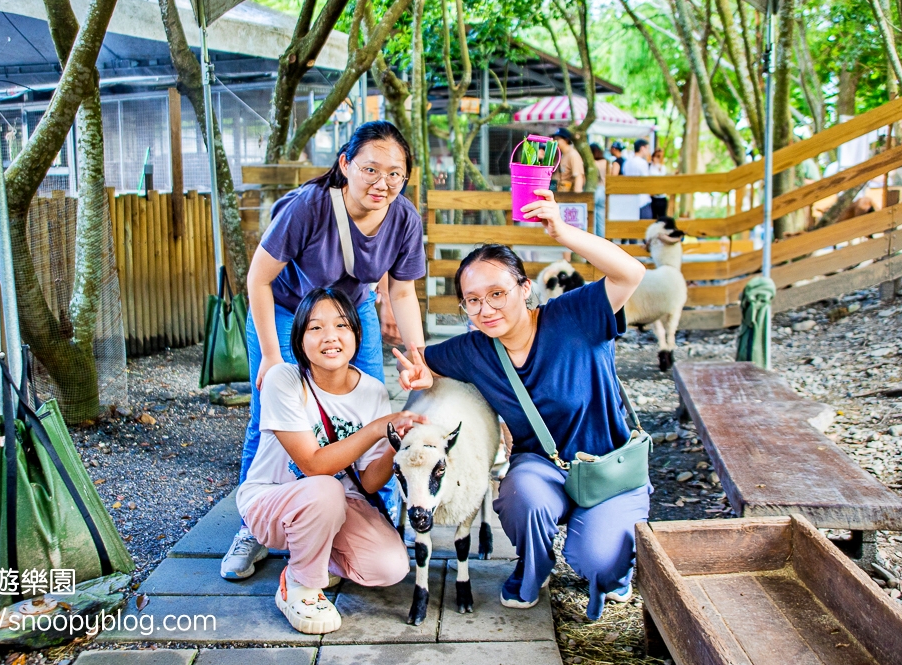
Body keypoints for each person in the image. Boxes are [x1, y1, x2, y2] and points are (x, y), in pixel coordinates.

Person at [394, 190, 649, 622]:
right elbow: (423, 362)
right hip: (543, 468)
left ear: (524, 288)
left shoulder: (574, 315)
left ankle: (611, 564)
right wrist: (422, 375)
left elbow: (631, 273)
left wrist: (564, 232)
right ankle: (533, 566)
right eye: (472, 300)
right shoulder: (474, 349)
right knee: (518, 494)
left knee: (597, 565)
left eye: (497, 293)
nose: (486, 308)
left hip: (608, 467)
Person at [222, 121, 427, 581]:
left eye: (395, 173)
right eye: (371, 169)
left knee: (372, 403)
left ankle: (379, 514)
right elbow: (258, 278)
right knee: (269, 413)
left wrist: (417, 356)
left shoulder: (404, 218)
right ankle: (252, 526)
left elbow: (405, 292)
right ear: (345, 165)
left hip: (353, 310)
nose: (383, 182)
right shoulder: (309, 208)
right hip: (287, 310)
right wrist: (274, 358)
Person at [238, 287, 417, 634]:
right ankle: (301, 583)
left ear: (356, 334)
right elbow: (313, 465)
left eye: (341, 326)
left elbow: (366, 481)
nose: (330, 337)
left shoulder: (373, 391)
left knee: (390, 566)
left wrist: (396, 444)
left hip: (338, 504)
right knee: (323, 488)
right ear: (300, 339)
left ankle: (316, 556)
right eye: (315, 328)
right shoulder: (284, 380)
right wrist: (376, 429)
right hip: (271, 500)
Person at [622, 139, 652, 219]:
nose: (648, 151)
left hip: (630, 201)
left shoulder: (626, 163)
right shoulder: (642, 163)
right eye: (647, 148)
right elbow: (646, 180)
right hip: (642, 200)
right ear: (642, 148)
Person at [551, 127, 584, 193]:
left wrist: (577, 199)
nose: (555, 142)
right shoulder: (559, 154)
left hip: (568, 195)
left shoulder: (573, 155)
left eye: (557, 139)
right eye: (554, 139)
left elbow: (579, 177)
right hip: (558, 192)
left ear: (566, 140)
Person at [590, 143, 608, 237]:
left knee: (592, 216)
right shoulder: (607, 162)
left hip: (596, 189)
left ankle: (593, 238)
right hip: (605, 189)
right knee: (601, 217)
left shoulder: (592, 163)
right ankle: (602, 238)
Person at [649, 148, 668, 218]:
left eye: (660, 157)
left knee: (662, 218)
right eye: (657, 156)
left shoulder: (663, 168)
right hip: (652, 197)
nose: (658, 159)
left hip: (661, 197)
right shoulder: (649, 167)